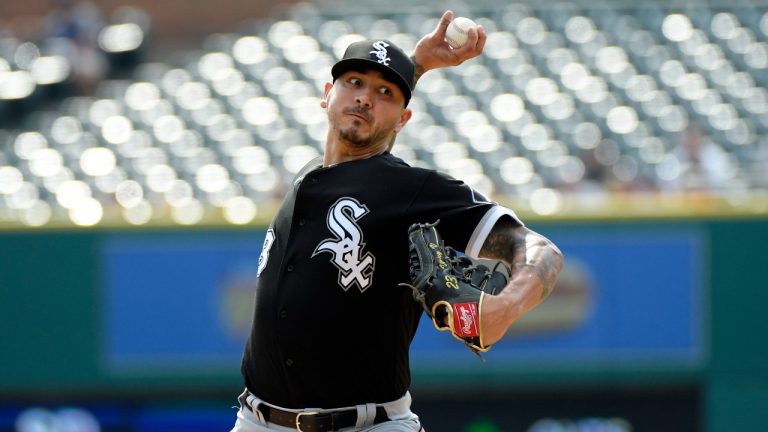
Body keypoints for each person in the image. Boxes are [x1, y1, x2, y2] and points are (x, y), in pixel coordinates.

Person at [231, 10, 564, 432]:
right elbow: (370, 110)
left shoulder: (412, 191)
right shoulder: (309, 174)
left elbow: (540, 249)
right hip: (258, 420)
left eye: (385, 92)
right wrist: (415, 65)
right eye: (354, 83)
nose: (365, 98)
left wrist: (507, 306)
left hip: (369, 424)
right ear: (327, 94)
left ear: (404, 120)